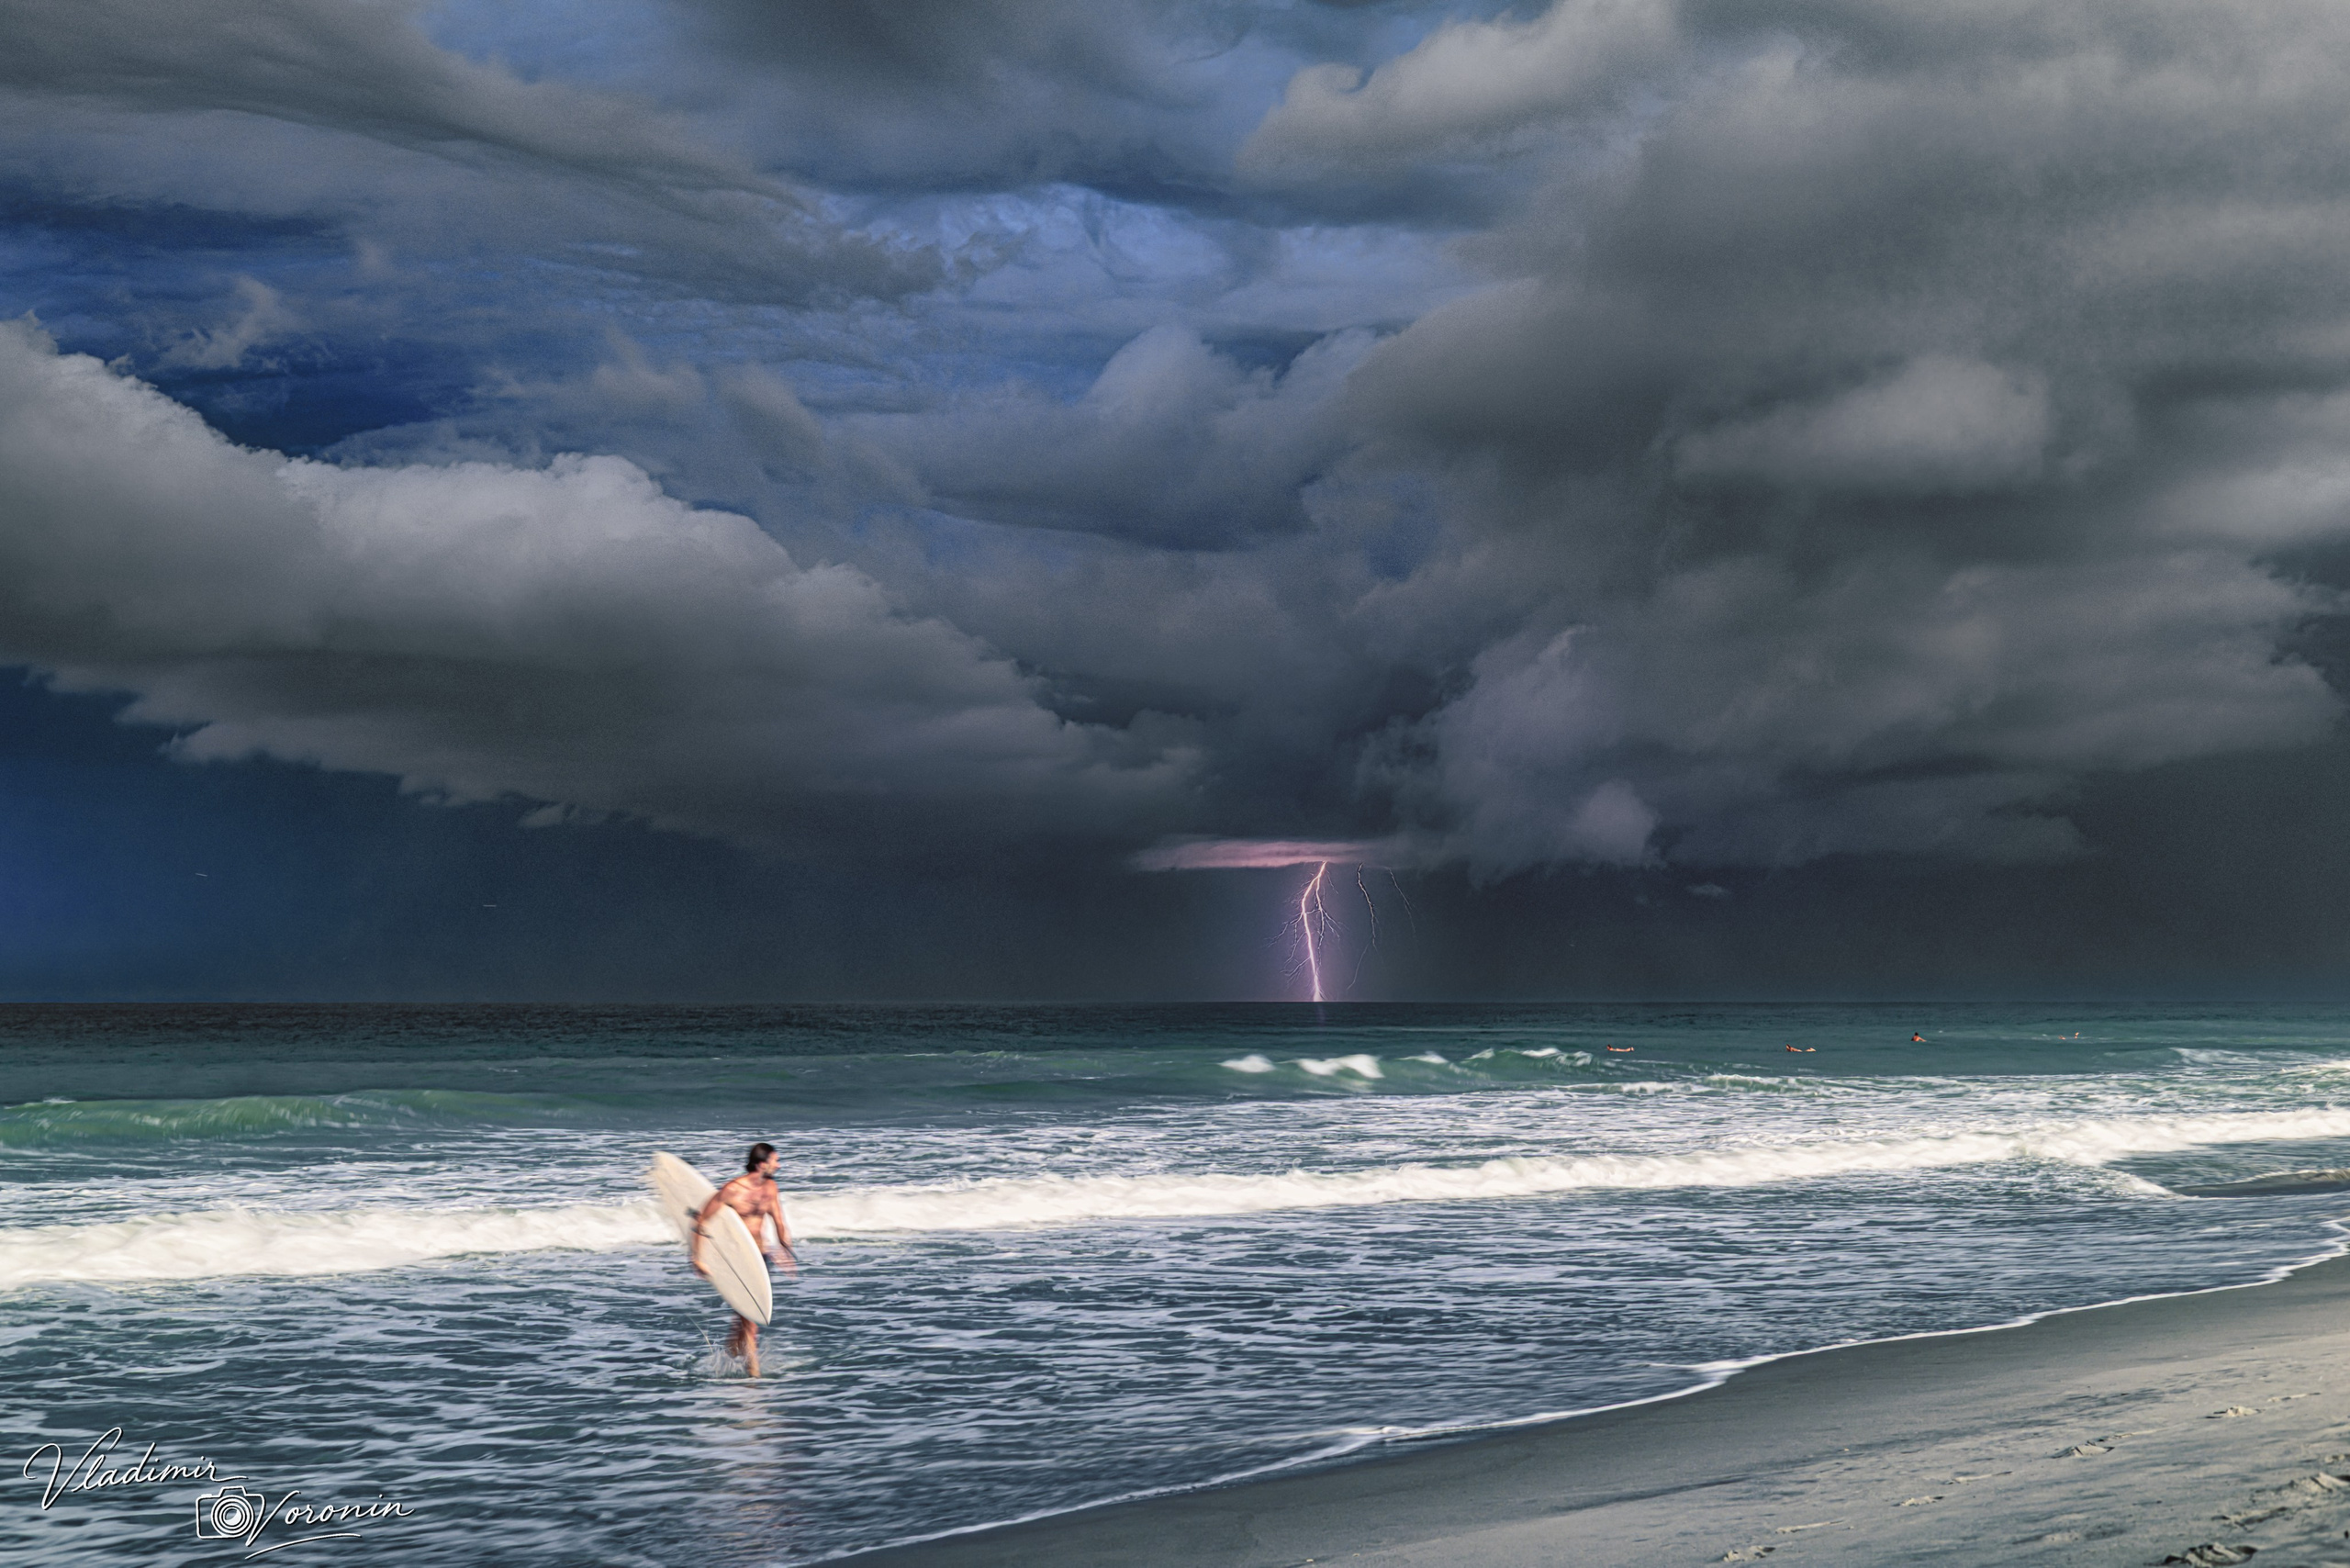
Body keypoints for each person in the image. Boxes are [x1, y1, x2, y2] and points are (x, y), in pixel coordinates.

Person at [693, 1141, 796, 1376]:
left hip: (760, 1259)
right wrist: (697, 1257)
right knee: (750, 1321)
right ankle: (753, 1378)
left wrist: (785, 1250)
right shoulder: (733, 1190)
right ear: (761, 1164)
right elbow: (701, 1220)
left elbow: (778, 1221)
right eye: (775, 1161)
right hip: (738, 1260)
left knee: (744, 1319)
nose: (778, 1166)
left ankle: (728, 1360)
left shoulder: (770, 1188)